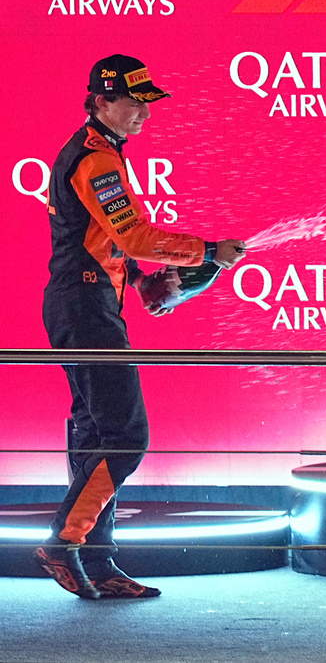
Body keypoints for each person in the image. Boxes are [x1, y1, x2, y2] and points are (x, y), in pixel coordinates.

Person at [36, 54, 247, 599]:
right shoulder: (96, 159)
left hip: (90, 304)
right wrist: (206, 249)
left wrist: (145, 283)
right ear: (101, 101)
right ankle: (64, 544)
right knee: (126, 439)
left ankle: (99, 563)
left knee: (96, 437)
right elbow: (131, 236)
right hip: (84, 309)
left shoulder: (104, 153)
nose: (144, 112)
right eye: (133, 102)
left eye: (147, 102)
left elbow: (104, 242)